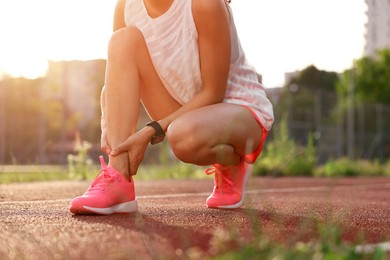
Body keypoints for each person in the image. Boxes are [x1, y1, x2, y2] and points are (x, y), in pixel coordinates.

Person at [70, 0, 274, 215]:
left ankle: (231, 161)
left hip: (240, 111)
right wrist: (107, 126)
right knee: (122, 41)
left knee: (183, 136)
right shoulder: (126, 6)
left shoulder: (205, 5)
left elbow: (213, 93)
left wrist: (151, 130)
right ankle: (118, 178)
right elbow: (116, 76)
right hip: (184, 110)